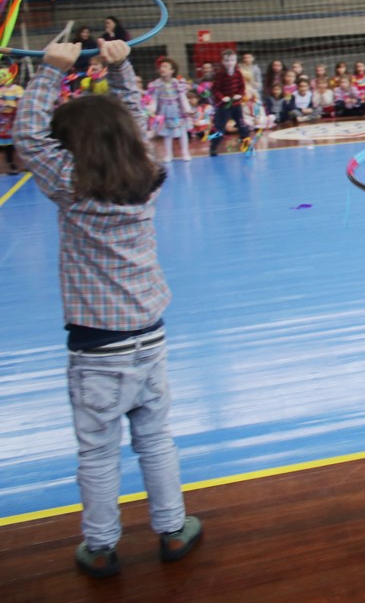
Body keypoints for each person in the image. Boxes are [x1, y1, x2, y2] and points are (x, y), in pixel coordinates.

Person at [13, 37, 202, 578]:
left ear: (73, 150)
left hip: (97, 347)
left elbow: (28, 138)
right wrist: (122, 71)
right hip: (150, 335)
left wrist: (51, 71)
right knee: (155, 438)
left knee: (97, 451)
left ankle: (101, 547)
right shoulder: (148, 178)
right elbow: (136, 129)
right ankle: (172, 529)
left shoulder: (70, 186)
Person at [208, 49, 251, 157]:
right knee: (219, 128)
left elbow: (242, 87)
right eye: (227, 60)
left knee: (242, 126)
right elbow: (215, 89)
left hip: (236, 105)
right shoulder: (220, 74)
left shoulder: (238, 73)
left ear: (235, 61)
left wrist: (240, 95)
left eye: (232, 60)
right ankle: (213, 146)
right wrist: (222, 98)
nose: (229, 63)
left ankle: (246, 146)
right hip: (223, 107)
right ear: (223, 61)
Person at [148, 58, 191, 163]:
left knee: (182, 131)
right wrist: (152, 109)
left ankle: (185, 152)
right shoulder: (156, 84)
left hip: (177, 111)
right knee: (167, 133)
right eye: (161, 67)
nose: (162, 69)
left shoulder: (177, 83)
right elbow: (154, 99)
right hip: (164, 112)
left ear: (172, 70)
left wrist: (187, 109)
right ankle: (168, 154)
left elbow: (182, 97)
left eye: (166, 67)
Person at [0, 82, 21, 174]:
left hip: (12, 118)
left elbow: (19, 102)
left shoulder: (17, 88)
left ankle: (11, 164)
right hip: (3, 118)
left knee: (11, 142)